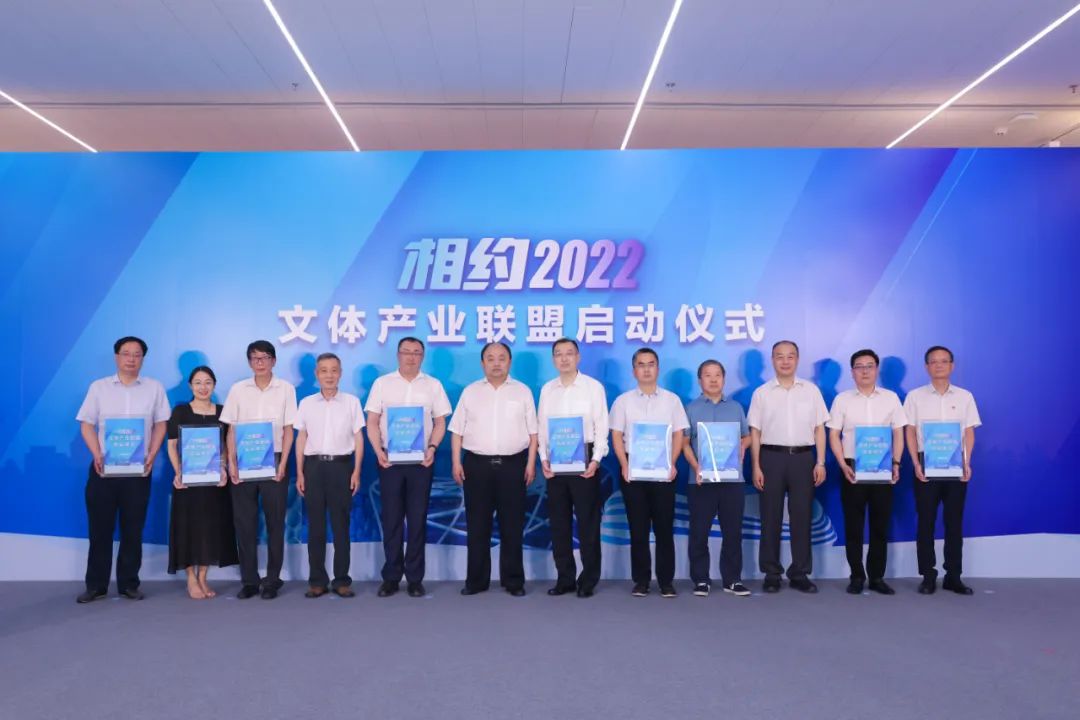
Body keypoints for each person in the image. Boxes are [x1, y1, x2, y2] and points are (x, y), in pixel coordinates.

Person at [75, 336, 170, 603]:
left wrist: (152, 453)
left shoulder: (154, 388)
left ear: (143, 359)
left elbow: (161, 424)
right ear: (116, 357)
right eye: (126, 353)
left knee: (132, 530)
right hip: (103, 471)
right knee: (100, 530)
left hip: (138, 472)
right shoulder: (99, 388)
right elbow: (86, 424)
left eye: (137, 354)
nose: (131, 359)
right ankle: (96, 586)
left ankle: (129, 583)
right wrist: (96, 453)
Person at [449, 342, 538, 597]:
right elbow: (457, 431)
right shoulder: (470, 392)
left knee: (513, 525)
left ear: (509, 362)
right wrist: (456, 462)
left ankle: (514, 581)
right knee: (477, 525)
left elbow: (533, 433)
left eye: (501, 358)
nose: (496, 363)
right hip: (477, 465)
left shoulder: (522, 392)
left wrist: (531, 463)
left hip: (514, 465)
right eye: (490, 358)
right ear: (482, 363)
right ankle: (476, 581)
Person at [366, 337, 451, 598]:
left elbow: (440, 422)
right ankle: (391, 577)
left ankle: (415, 578)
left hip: (421, 462)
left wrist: (432, 448)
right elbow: (372, 421)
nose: (411, 357)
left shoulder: (433, 385)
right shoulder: (383, 384)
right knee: (391, 519)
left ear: (422, 357)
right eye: (406, 352)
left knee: (417, 519)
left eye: (416, 353)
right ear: (398, 355)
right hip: (389, 462)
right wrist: (378, 451)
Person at [748, 340, 829, 594]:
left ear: (797, 359)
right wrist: (756, 466)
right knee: (770, 517)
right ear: (772, 360)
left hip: (803, 459)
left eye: (790, 356)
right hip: (771, 458)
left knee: (802, 517)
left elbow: (820, 429)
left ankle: (799, 573)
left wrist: (820, 461)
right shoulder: (762, 393)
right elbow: (755, 432)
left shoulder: (811, 391)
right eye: (779, 356)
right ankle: (771, 573)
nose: (785, 361)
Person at [220, 340, 297, 600]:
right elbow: (231, 429)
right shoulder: (238, 389)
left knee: (275, 522)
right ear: (249, 362)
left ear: (274, 361)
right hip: (243, 461)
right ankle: (249, 581)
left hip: (274, 460)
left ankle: (273, 580)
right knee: (245, 523)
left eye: (265, 357)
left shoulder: (285, 389)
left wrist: (283, 464)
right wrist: (232, 463)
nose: (260, 362)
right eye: (255, 358)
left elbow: (288, 430)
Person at [609, 348, 689, 598]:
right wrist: (624, 464)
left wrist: (672, 463)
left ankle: (666, 581)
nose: (646, 369)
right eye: (641, 365)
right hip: (633, 471)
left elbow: (679, 434)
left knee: (664, 528)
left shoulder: (672, 400)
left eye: (651, 364)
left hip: (663, 470)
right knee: (638, 528)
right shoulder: (623, 401)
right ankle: (641, 580)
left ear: (658, 368)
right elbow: (616, 436)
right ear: (634, 371)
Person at [826, 349, 906, 596]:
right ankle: (857, 576)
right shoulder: (842, 400)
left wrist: (896, 463)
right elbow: (833, 434)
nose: (864, 371)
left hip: (883, 467)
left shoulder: (891, 398)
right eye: (859, 366)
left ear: (877, 369)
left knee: (880, 524)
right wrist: (842, 464)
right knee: (854, 525)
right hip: (852, 467)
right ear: (852, 372)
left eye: (869, 366)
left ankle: (877, 577)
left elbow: (898, 432)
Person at [904, 345, 982, 595]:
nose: (939, 365)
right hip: (925, 468)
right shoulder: (915, 397)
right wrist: (916, 463)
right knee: (925, 523)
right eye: (934, 361)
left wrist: (967, 462)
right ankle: (928, 575)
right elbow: (910, 431)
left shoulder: (965, 397)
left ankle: (953, 576)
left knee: (954, 523)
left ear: (952, 365)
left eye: (944, 361)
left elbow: (969, 432)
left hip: (956, 467)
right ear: (926, 367)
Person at [537, 338, 609, 598]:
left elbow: (601, 426)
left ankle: (588, 580)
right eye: (558, 354)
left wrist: (596, 460)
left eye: (569, 353)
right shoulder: (547, 389)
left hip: (585, 460)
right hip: (555, 462)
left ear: (578, 357)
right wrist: (543, 458)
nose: (564, 358)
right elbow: (542, 428)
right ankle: (565, 578)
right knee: (559, 523)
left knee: (588, 523)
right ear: (553, 359)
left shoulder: (593, 387)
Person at [294, 353, 364, 599]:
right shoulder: (306, 403)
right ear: (316, 374)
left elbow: (358, 438)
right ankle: (317, 581)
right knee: (315, 526)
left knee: (341, 526)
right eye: (324, 370)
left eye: (334, 370)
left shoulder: (352, 402)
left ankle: (342, 580)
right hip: (313, 467)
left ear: (340, 373)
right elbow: (301, 438)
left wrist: (356, 471)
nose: (329, 375)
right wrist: (299, 472)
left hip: (341, 467)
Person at [165, 365, 238, 600]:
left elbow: (226, 446)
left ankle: (203, 576)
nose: (203, 387)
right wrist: (179, 472)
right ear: (190, 386)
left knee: (210, 528)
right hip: (187, 483)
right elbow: (172, 445)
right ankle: (190, 578)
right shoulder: (180, 411)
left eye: (208, 382)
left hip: (214, 483)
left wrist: (223, 468)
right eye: (198, 382)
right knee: (187, 527)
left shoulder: (222, 412)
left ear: (214, 385)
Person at [682, 360, 751, 598]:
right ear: (699, 380)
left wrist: (743, 445)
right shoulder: (691, 408)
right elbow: (684, 442)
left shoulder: (735, 407)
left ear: (724, 378)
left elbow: (746, 436)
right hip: (700, 481)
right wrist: (696, 466)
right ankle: (701, 579)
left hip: (732, 480)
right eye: (707, 375)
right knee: (699, 532)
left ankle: (732, 579)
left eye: (717, 375)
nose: (713, 380)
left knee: (733, 532)